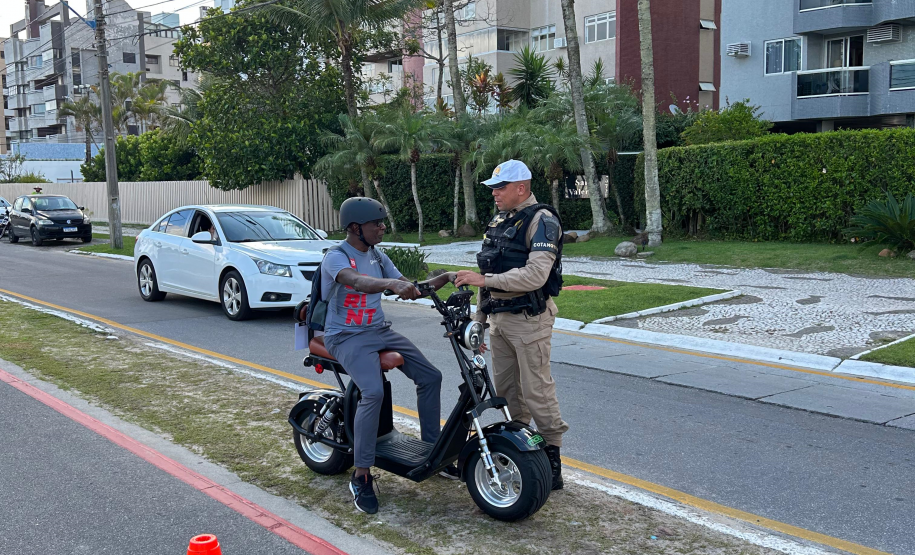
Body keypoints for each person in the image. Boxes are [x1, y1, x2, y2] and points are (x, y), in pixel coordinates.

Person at [320, 197, 454, 514]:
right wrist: (390, 283)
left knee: (431, 376)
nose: (382, 227)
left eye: (382, 222)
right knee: (373, 392)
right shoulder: (336, 257)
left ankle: (431, 451)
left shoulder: (378, 255)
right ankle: (361, 474)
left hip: (378, 330)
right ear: (355, 228)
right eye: (376, 223)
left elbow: (413, 288)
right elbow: (357, 282)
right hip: (345, 336)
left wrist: (446, 277)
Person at [454, 159, 569, 491]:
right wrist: (479, 321)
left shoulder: (542, 221)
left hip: (530, 321)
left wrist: (485, 279)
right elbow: (486, 274)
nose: (494, 194)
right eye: (492, 188)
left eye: (499, 188)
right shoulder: (500, 221)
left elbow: (536, 275)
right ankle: (523, 452)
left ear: (522, 188)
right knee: (507, 393)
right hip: (500, 320)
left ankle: (552, 460)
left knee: (537, 391)